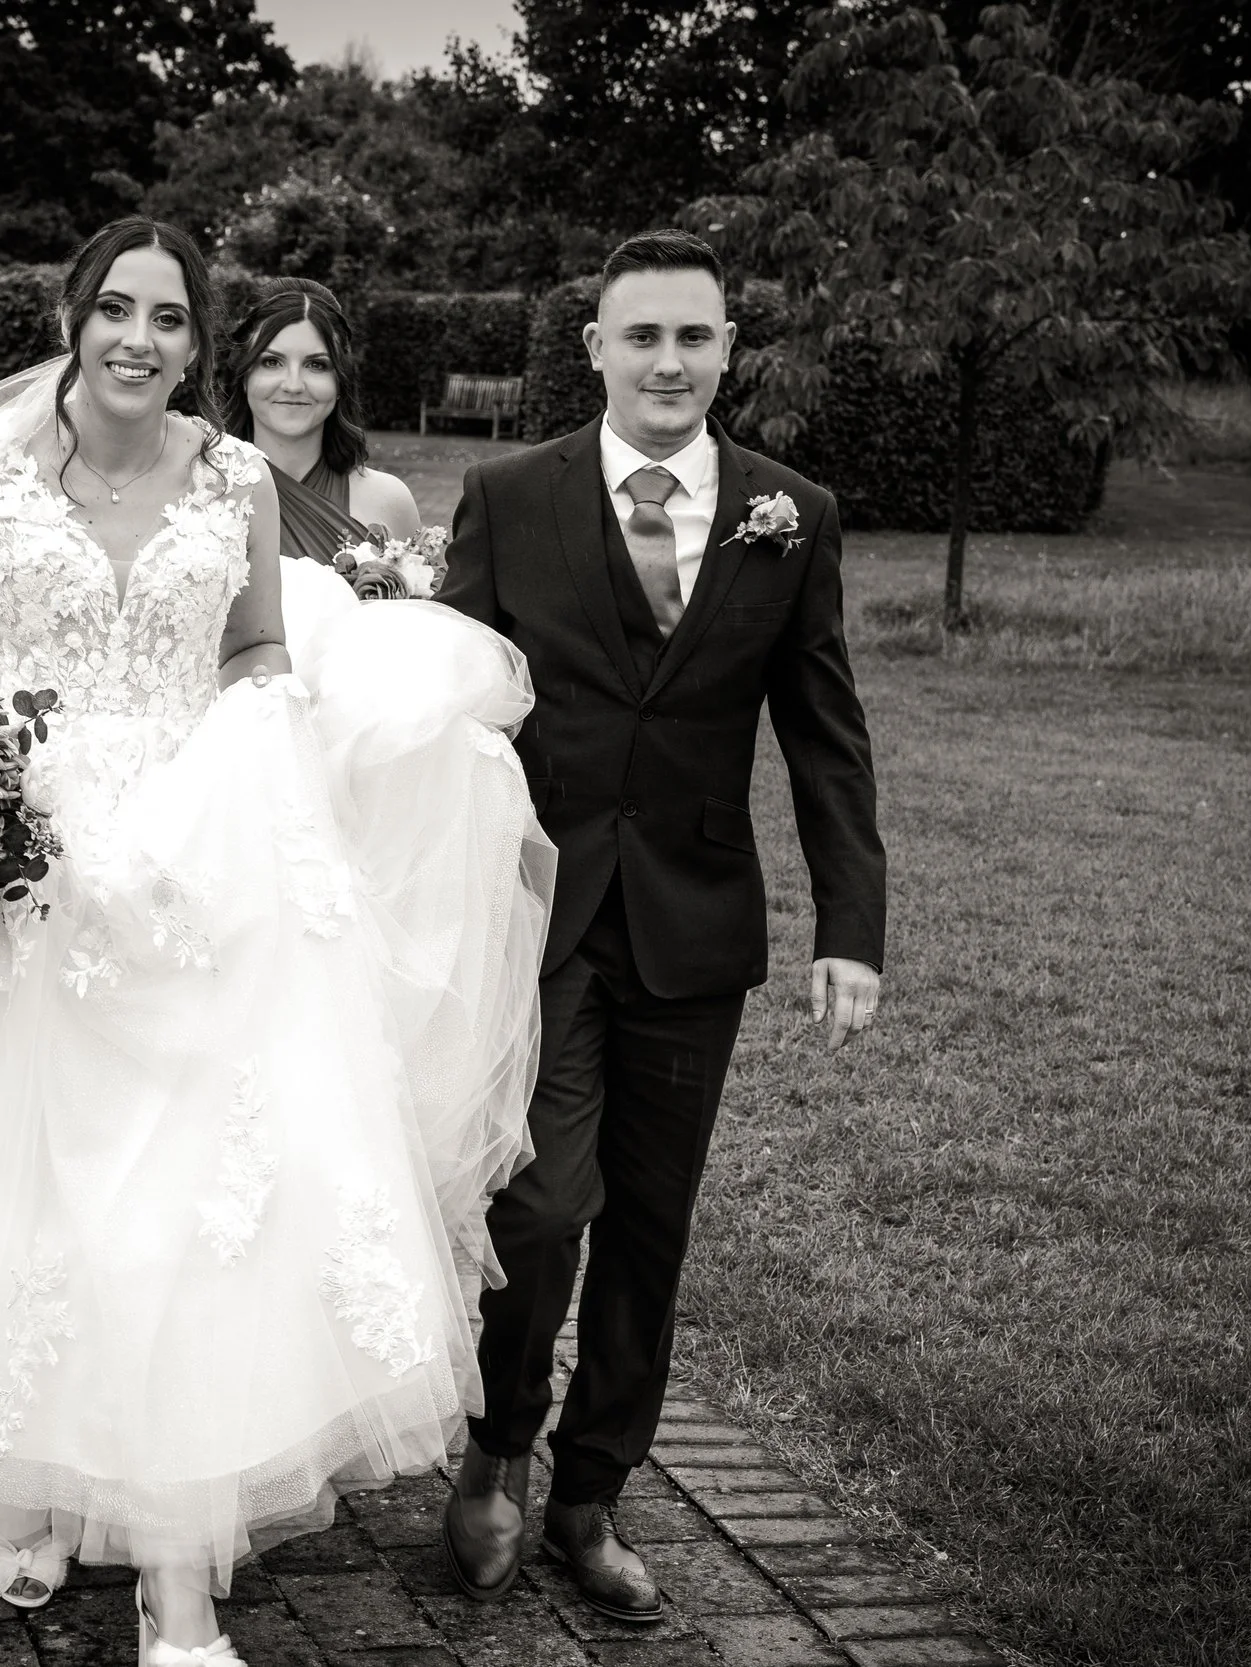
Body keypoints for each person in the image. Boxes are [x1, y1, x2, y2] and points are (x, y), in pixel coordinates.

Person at [0, 219, 552, 1665]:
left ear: (194, 341)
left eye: (169, 320)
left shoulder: (231, 477)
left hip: (197, 868)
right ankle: (38, 1479)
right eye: (116, 310)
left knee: (182, 1212)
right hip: (23, 868)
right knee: (27, 1191)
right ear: (71, 314)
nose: (140, 341)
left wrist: (248, 755)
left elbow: (253, 652)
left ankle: (179, 1582)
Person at [435, 229, 887, 1623]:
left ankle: (592, 1490)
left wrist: (850, 923)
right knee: (542, 1197)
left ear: (726, 348)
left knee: (650, 1224)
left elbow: (824, 731)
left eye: (694, 336)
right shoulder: (509, 497)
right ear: (597, 349)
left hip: (695, 924)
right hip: (543, 917)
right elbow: (450, 710)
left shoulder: (788, 511)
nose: (670, 362)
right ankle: (496, 1454)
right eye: (643, 336)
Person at [221, 278, 421, 564]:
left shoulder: (390, 500)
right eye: (271, 362)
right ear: (244, 377)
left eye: (316, 365)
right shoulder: (204, 493)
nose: (293, 385)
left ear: (341, 382)